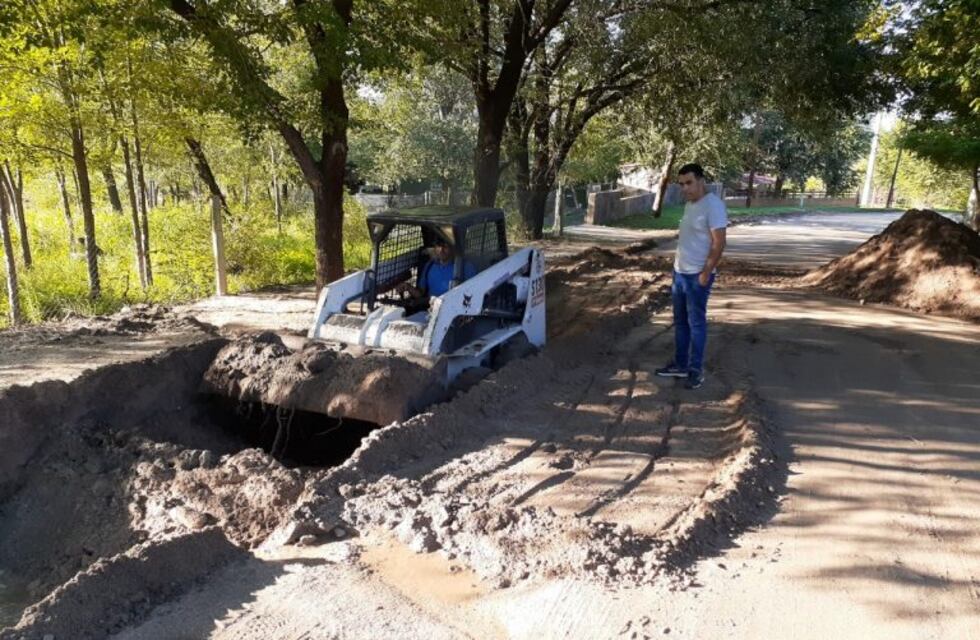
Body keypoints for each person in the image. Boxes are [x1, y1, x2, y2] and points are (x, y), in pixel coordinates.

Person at [656, 163, 727, 390]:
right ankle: (680, 363)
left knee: (696, 323)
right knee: (680, 322)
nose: (685, 188)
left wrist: (706, 272)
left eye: (689, 183)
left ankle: (696, 370)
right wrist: (676, 269)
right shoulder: (690, 204)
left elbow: (719, 243)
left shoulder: (713, 206)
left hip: (698, 276)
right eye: (682, 184)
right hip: (680, 273)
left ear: (701, 181)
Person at [398, 236, 477, 299]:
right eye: (439, 246)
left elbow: (474, 293)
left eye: (445, 246)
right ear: (435, 248)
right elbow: (420, 294)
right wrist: (408, 287)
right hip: (432, 311)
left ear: (453, 248)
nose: (441, 250)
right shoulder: (429, 266)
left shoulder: (465, 267)